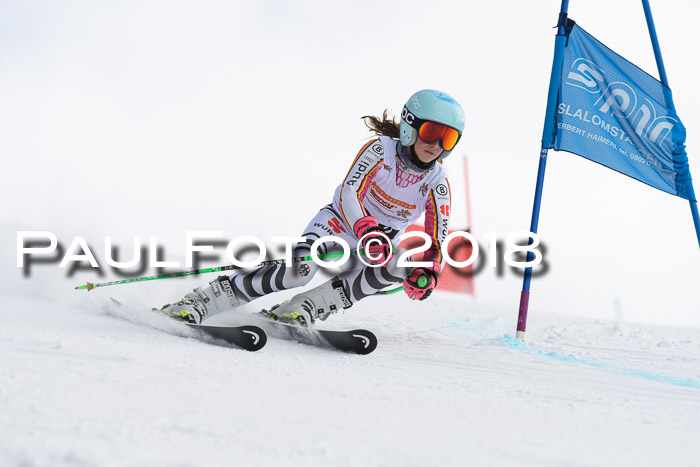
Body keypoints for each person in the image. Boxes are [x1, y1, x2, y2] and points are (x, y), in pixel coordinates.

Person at [157, 89, 465, 327]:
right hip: (339, 226)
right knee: (298, 272)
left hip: (377, 245)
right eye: (431, 133)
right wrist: (365, 229)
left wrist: (429, 271)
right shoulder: (379, 151)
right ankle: (204, 301)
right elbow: (348, 192)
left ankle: (304, 307)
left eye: (448, 138)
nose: (437, 145)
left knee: (402, 265)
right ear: (411, 126)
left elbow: (436, 241)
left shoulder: (437, 183)